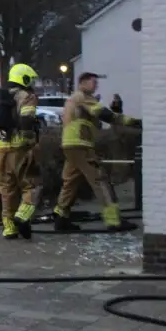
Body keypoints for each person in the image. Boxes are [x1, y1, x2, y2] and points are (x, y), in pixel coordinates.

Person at [53, 73, 141, 232]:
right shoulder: (83, 97)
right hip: (81, 144)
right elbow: (105, 115)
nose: (96, 86)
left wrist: (114, 112)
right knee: (100, 180)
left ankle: (61, 217)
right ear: (83, 83)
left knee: (70, 182)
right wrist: (134, 122)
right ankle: (114, 221)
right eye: (93, 82)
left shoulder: (74, 99)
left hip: (70, 144)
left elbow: (95, 118)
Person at [0, 64, 42, 240]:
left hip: (1, 148)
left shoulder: (2, 96)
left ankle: (9, 228)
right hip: (20, 148)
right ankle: (22, 216)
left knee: (7, 188)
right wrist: (31, 139)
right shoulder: (27, 96)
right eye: (31, 79)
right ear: (25, 78)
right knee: (32, 184)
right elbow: (26, 119)